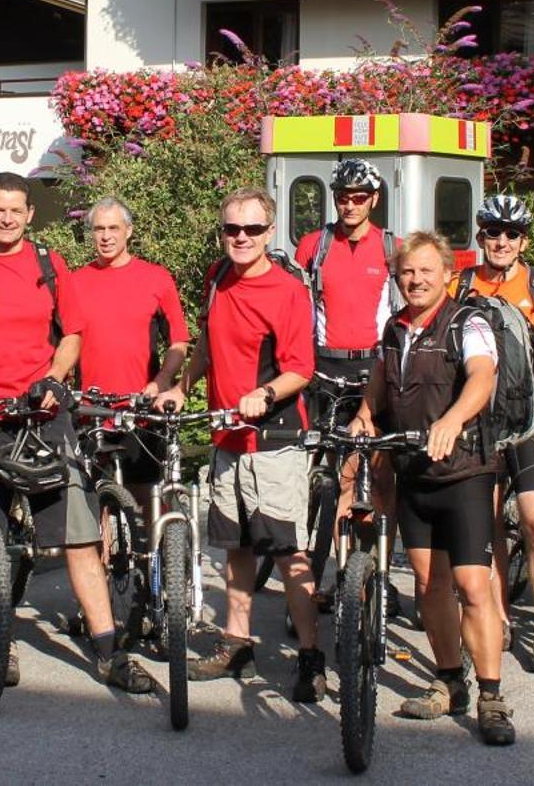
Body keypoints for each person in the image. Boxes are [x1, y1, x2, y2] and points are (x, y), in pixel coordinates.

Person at [0, 172, 153, 694]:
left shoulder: (50, 264)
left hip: (46, 413)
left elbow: (72, 334)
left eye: (16, 210)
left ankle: (109, 648)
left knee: (79, 532)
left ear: (29, 214)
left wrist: (54, 377)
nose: (7, 218)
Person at [355, 231, 515, 746]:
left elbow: (482, 377)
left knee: (472, 585)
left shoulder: (467, 322)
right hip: (414, 473)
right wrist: (364, 414)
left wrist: (451, 420)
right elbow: (380, 381)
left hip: (465, 471)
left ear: (447, 274)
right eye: (407, 271)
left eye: (426, 270)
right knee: (429, 586)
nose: (416, 279)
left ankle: (491, 695)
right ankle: (450, 680)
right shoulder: (394, 327)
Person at [174, 187, 324, 701]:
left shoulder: (286, 292)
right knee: (236, 547)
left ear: (269, 232)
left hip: (274, 442)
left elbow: (301, 369)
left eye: (252, 230)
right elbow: (208, 344)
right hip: (227, 438)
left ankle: (310, 656)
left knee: (288, 553)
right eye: (232, 229)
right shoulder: (217, 278)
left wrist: (263, 393)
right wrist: (181, 385)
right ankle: (237, 644)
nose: (241, 237)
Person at [451, 193, 534, 674]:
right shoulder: (460, 283)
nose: (501, 241)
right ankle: (499, 619)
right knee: (485, 528)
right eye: (492, 232)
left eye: (511, 234)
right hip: (478, 423)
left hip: (528, 423)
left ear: (523, 240)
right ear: (481, 236)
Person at [293, 159, 398, 598]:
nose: (350, 205)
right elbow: (297, 308)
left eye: (359, 197)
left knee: (382, 472)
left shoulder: (393, 247)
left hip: (376, 368)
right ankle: (338, 571)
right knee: (340, 473)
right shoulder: (314, 245)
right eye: (343, 197)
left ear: (374, 199)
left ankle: (384, 572)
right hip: (326, 368)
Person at [54, 197, 192, 507]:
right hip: (90, 410)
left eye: (113, 228)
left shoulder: (156, 278)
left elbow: (178, 342)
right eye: (98, 229)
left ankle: (155, 555)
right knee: (91, 501)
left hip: (140, 409)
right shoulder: (74, 282)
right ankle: (100, 557)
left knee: (147, 497)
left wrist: (162, 379)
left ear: (128, 231)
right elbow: (61, 342)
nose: (105, 236)